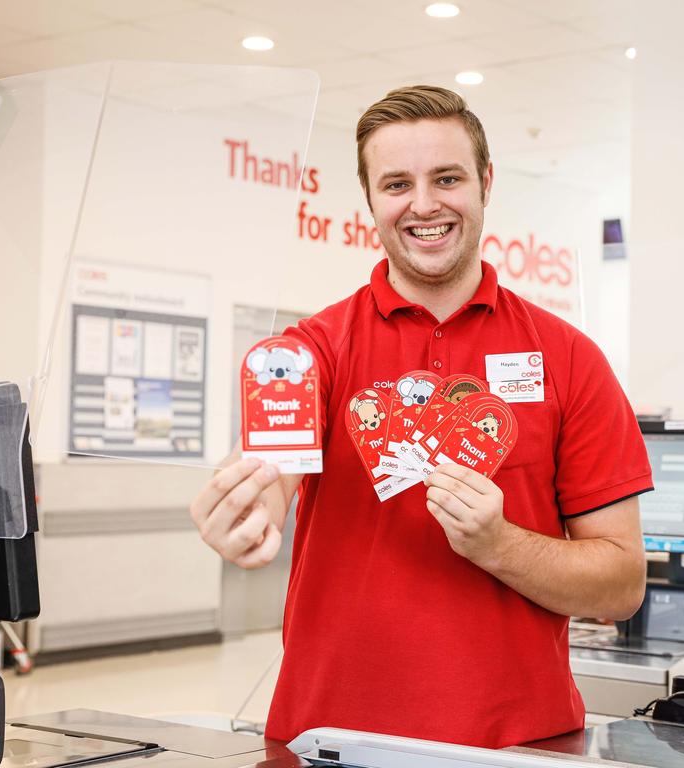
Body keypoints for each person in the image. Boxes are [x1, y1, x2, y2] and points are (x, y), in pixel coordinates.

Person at [190, 85, 653, 748]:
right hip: (329, 743)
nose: (424, 204)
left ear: (485, 183)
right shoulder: (312, 351)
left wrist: (499, 545)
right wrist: (246, 514)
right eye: (397, 183)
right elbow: (270, 473)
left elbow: (621, 585)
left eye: (447, 178)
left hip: (515, 747)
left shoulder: (569, 360)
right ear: (371, 199)